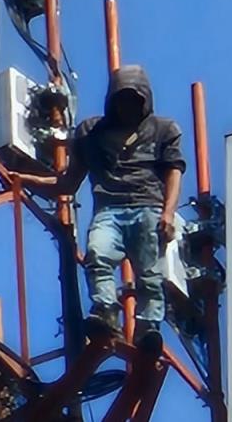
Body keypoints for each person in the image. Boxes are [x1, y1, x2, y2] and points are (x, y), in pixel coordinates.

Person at [12, 65, 185, 352]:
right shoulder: (91, 132)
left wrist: (167, 213)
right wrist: (26, 179)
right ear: (112, 100)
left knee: (149, 274)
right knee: (98, 254)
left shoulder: (163, 130)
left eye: (134, 99)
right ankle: (105, 311)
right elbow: (68, 182)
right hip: (110, 209)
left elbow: (173, 173)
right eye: (122, 99)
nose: (127, 105)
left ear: (145, 100)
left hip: (148, 207)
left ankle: (148, 328)